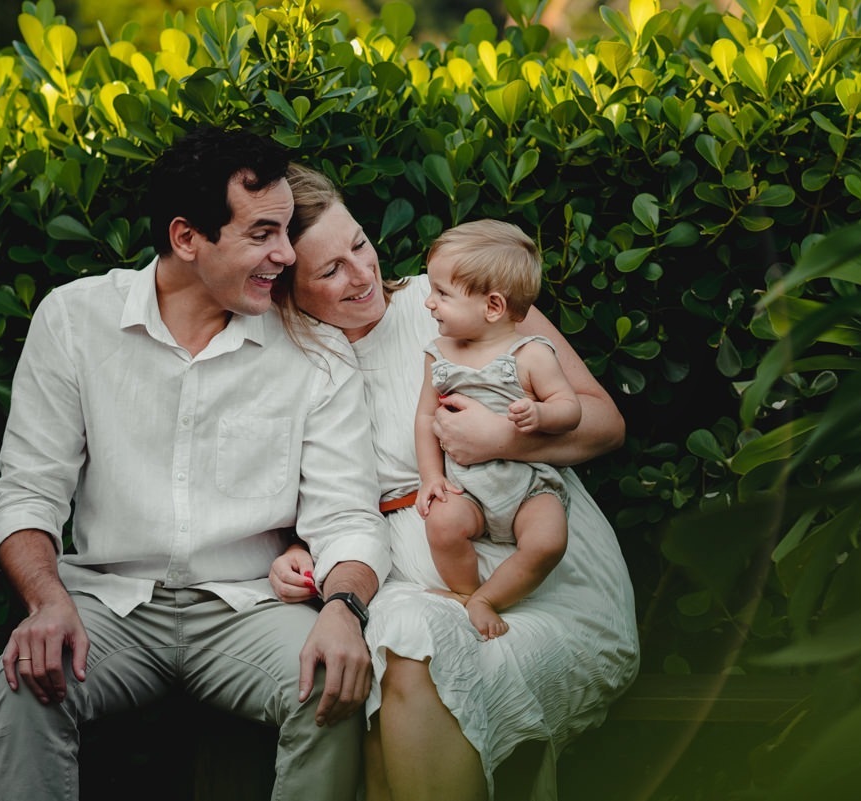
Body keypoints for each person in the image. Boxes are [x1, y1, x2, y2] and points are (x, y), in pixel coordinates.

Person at [0, 127, 389, 801]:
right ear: (185, 237)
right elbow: (28, 492)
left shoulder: (315, 351)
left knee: (330, 679)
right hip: (109, 606)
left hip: (246, 607)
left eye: (287, 231)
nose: (286, 255)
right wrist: (47, 600)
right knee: (25, 673)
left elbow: (347, 513)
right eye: (263, 234)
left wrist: (344, 608)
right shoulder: (75, 320)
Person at [270, 164, 640, 801]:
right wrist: (291, 550)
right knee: (397, 648)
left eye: (358, 243)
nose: (361, 275)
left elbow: (605, 423)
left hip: (539, 571)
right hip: (401, 580)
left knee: (407, 651)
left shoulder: (457, 297)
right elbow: (288, 496)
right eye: (329, 271)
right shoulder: (286, 354)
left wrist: (508, 438)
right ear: (286, 288)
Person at [414, 220, 581, 639]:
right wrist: (432, 478)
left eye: (442, 293)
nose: (429, 304)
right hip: (467, 487)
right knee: (441, 523)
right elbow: (424, 418)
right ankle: (469, 593)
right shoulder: (440, 355)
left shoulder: (530, 355)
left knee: (547, 541)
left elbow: (570, 408)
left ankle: (492, 596)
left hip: (528, 487)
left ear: (492, 306)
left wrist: (541, 417)